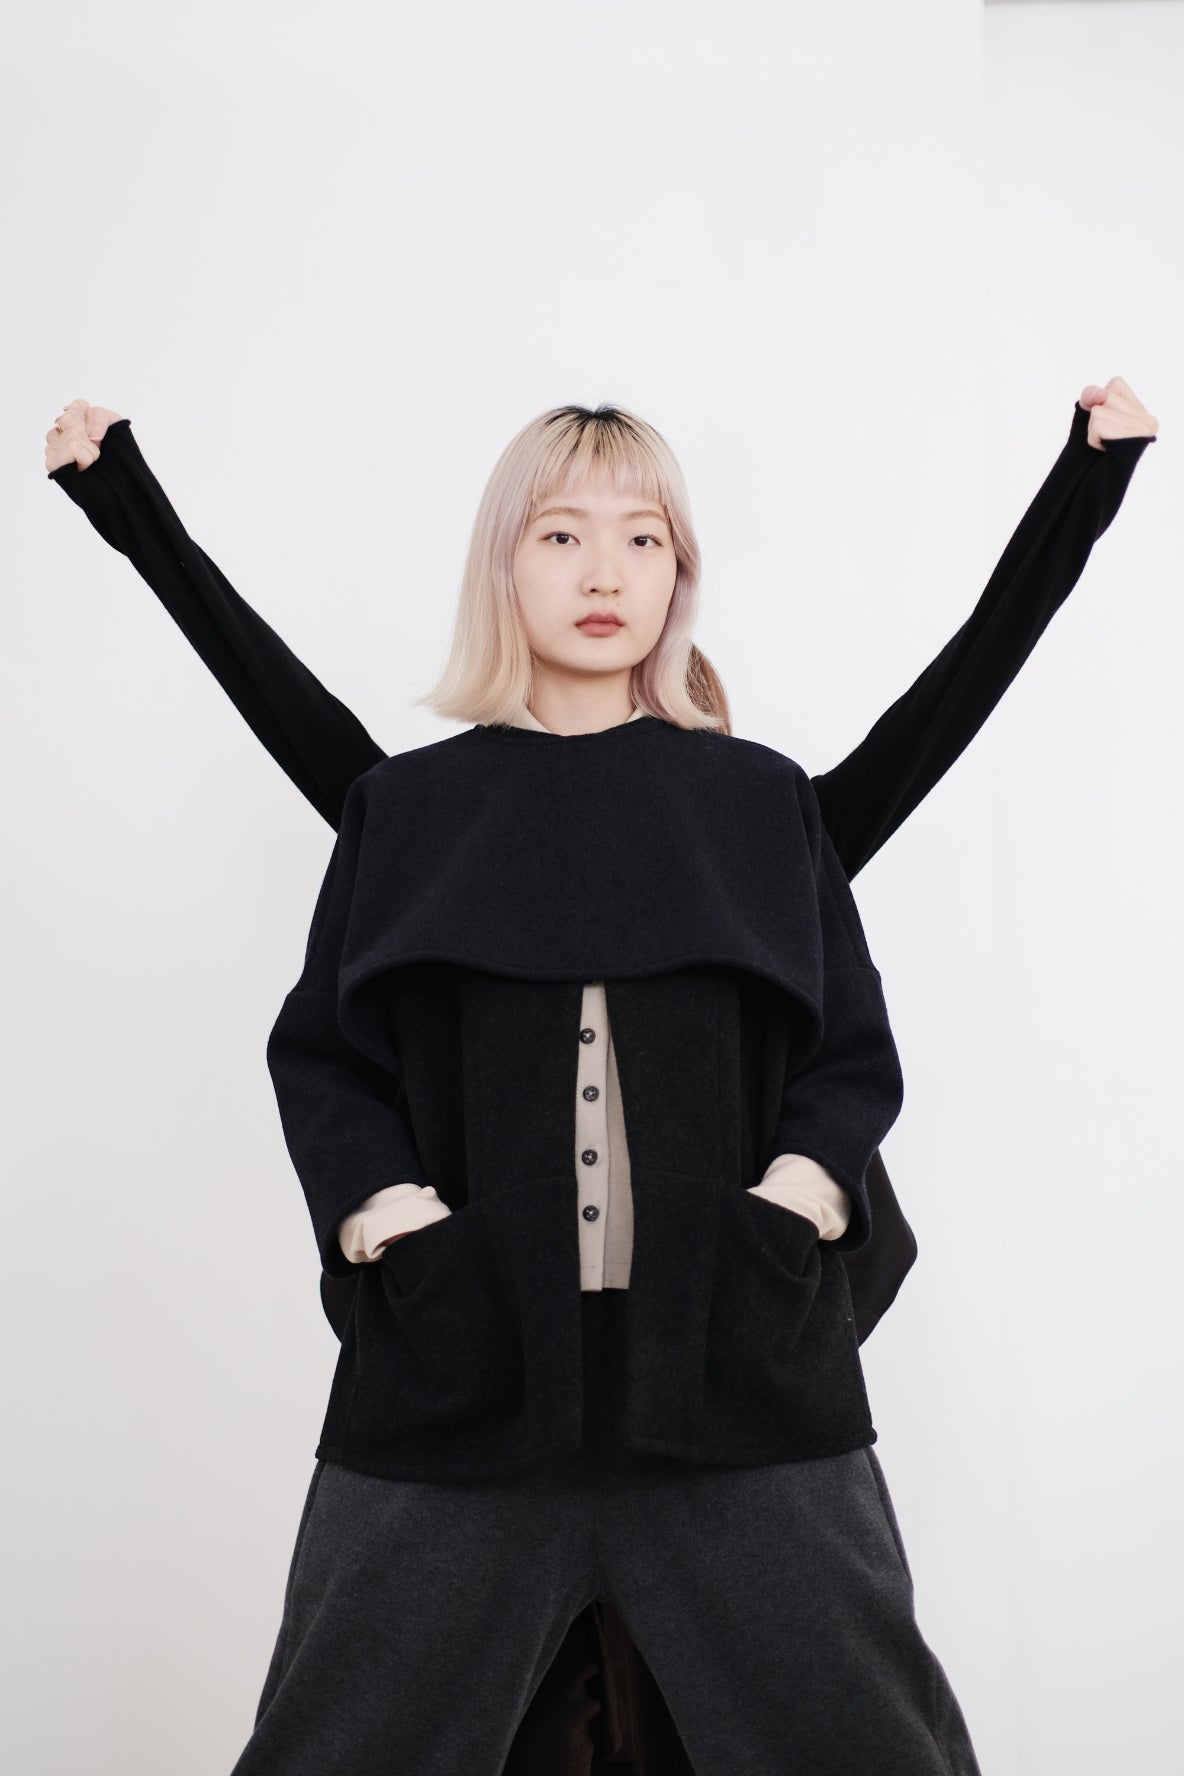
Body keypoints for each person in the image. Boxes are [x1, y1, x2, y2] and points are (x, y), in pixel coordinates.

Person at [45, 382, 1158, 1776]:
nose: (603, 572)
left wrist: (792, 1208)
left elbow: (854, 1026)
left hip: (740, 1378)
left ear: (679, 573)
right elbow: (325, 1050)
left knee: (872, 1749)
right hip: (459, 1387)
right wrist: (398, 1231)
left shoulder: (760, 806)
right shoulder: (408, 812)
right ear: (503, 564)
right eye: (562, 534)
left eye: (644, 539)